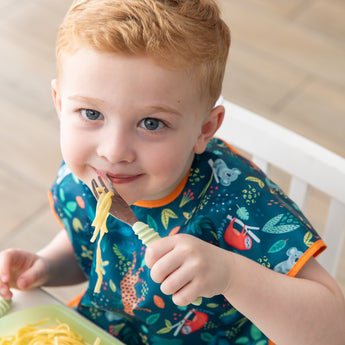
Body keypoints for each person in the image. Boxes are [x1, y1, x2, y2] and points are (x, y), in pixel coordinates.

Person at [0, 0, 344, 344]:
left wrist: (231, 276)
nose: (113, 151)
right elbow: (97, 250)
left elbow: (332, 329)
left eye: (152, 123)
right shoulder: (92, 178)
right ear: (61, 104)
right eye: (91, 114)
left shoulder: (239, 203)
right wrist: (46, 265)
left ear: (204, 130)